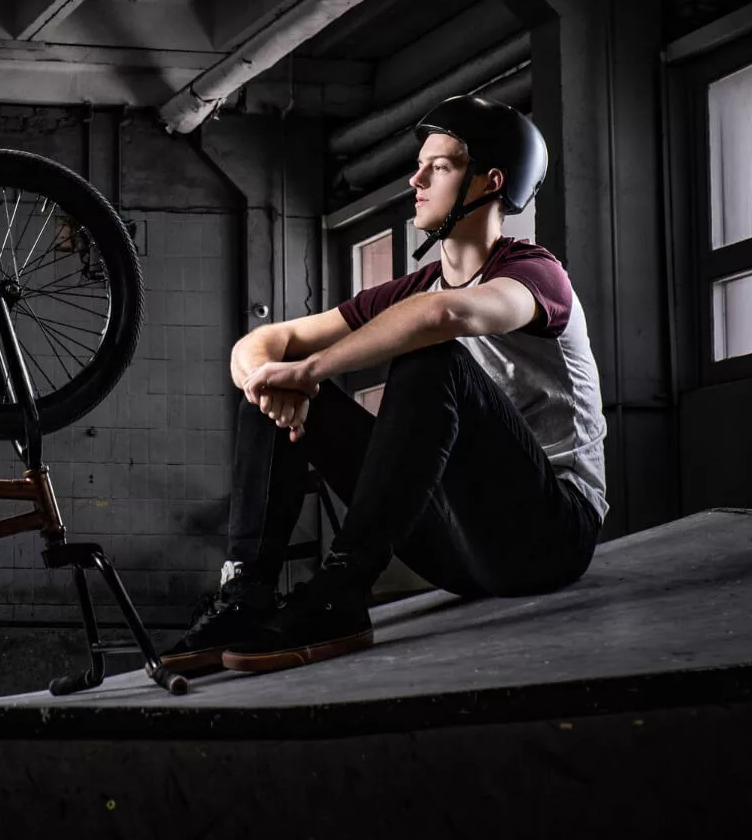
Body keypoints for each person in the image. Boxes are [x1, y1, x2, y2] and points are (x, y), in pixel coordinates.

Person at [161, 94, 608, 675]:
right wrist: (272, 382)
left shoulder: (534, 273)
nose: (416, 179)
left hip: (549, 535)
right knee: (271, 384)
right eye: (421, 165)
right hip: (454, 543)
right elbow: (265, 340)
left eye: (440, 167)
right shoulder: (416, 286)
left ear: (490, 182)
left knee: (431, 359)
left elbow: (446, 317)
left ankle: (341, 592)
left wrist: (312, 371)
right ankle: (246, 592)